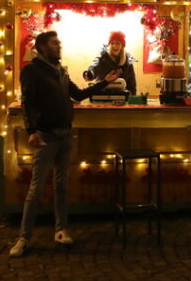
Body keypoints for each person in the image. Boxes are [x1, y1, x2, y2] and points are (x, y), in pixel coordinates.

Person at [10, 31, 121, 257]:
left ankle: (61, 230)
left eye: (59, 43)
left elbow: (78, 95)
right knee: (36, 188)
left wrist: (104, 83)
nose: (58, 46)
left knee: (61, 187)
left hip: (65, 136)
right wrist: (31, 130)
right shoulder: (31, 70)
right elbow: (27, 103)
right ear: (41, 47)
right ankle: (24, 237)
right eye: (54, 43)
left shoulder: (60, 71)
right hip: (46, 136)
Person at [84, 30, 137, 95]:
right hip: (102, 95)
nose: (114, 46)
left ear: (122, 46)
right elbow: (95, 66)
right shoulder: (103, 56)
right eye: (112, 43)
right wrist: (89, 73)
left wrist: (133, 101)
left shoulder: (128, 61)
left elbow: (132, 85)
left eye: (117, 43)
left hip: (121, 99)